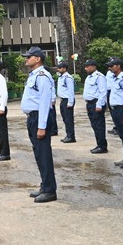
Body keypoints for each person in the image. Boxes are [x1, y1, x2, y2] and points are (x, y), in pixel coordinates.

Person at [21, 47, 57, 203]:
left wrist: (42, 126)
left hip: (39, 119)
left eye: (29, 57)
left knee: (43, 155)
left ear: (38, 59)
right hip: (33, 118)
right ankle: (45, 185)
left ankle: (50, 190)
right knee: (38, 154)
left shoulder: (42, 76)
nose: (26, 59)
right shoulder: (33, 76)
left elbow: (44, 102)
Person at [82, 59, 108, 154]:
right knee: (95, 126)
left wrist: (99, 104)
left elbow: (103, 91)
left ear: (93, 67)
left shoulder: (99, 77)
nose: (86, 68)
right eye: (85, 66)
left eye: (87, 66)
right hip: (90, 104)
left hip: (96, 103)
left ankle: (102, 146)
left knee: (99, 126)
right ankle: (99, 144)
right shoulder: (89, 77)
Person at [56, 62, 76, 143]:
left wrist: (70, 102)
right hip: (62, 100)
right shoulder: (61, 77)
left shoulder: (68, 78)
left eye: (60, 68)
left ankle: (71, 136)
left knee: (69, 119)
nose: (58, 69)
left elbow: (71, 91)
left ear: (64, 68)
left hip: (67, 100)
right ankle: (68, 135)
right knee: (65, 119)